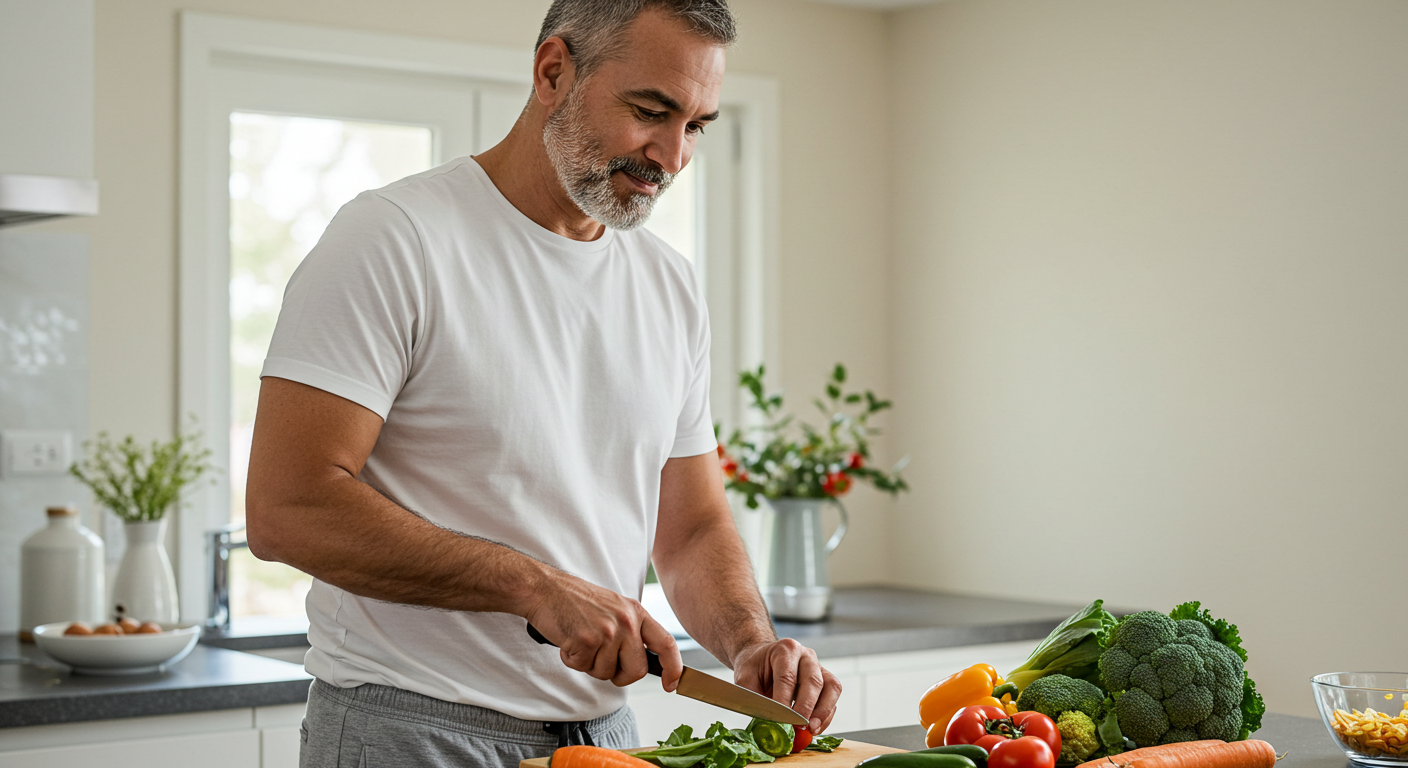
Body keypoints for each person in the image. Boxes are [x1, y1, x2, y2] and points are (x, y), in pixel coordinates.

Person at [245, 0, 841, 765]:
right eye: (650, 111)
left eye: (695, 125)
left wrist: (750, 645)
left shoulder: (669, 285)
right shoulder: (395, 238)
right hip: (411, 730)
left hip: (606, 738)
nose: (671, 155)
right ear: (553, 71)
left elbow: (689, 527)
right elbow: (287, 508)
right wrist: (534, 588)